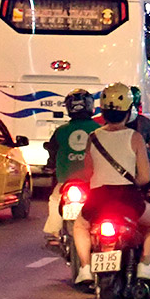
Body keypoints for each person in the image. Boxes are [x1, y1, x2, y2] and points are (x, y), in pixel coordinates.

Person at [73, 82, 150, 285]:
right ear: (129, 112)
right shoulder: (135, 137)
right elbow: (144, 177)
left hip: (97, 200)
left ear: (103, 111)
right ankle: (144, 265)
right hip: (128, 199)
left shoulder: (93, 136)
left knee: (80, 226)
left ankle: (85, 268)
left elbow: (88, 172)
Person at [42, 88, 99, 241]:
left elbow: (52, 152)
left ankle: (54, 231)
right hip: (93, 182)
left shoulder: (61, 131)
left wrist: (50, 165)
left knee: (55, 200)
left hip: (65, 182)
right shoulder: (99, 130)